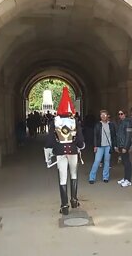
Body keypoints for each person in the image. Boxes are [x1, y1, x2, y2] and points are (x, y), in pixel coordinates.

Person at [44, 87, 85, 215]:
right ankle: (74, 200)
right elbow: (80, 139)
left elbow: (50, 140)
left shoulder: (55, 122)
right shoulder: (74, 121)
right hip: (72, 151)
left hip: (60, 152)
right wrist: (80, 145)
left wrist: (48, 153)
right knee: (74, 175)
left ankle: (64, 206)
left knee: (63, 178)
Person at [88, 110, 116, 184]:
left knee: (107, 161)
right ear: (100, 116)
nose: (103, 116)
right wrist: (95, 146)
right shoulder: (98, 125)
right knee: (97, 161)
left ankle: (105, 177)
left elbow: (113, 136)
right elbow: (95, 136)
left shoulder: (111, 125)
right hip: (100, 146)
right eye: (101, 115)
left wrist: (114, 145)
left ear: (107, 116)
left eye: (104, 115)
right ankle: (92, 177)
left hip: (108, 146)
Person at [115, 109, 132, 187]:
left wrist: (125, 147)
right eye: (119, 114)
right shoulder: (121, 122)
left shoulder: (128, 122)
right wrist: (117, 145)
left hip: (124, 145)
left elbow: (128, 136)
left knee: (127, 163)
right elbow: (119, 135)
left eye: (121, 114)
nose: (120, 115)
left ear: (125, 114)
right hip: (121, 145)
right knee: (124, 162)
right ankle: (125, 178)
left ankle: (128, 180)